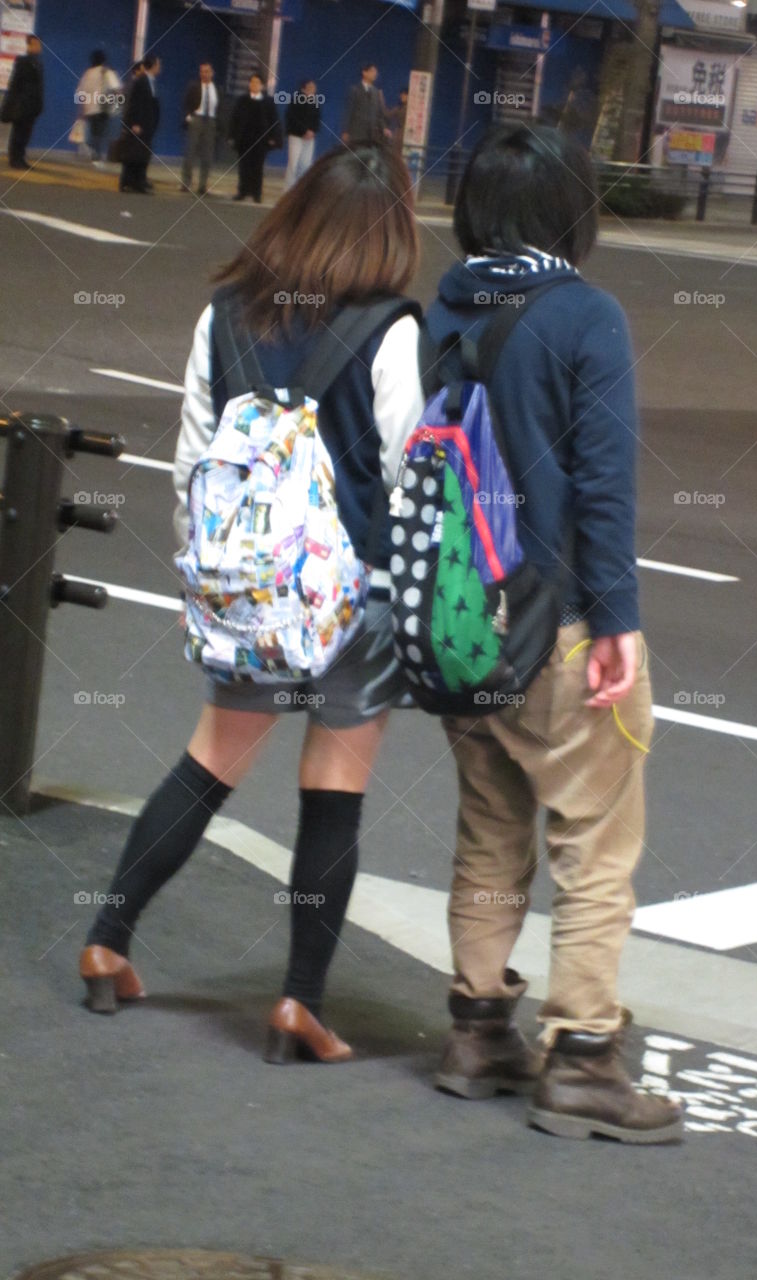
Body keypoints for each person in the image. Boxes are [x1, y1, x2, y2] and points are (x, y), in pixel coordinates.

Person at [78, 143, 423, 1065]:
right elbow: (405, 475)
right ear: (386, 233)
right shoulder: (391, 331)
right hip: (351, 604)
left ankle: (108, 939)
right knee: (333, 791)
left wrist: (216, 580)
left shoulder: (223, 315)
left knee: (206, 764)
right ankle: (297, 1006)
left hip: (246, 597)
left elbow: (194, 465)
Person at [425, 125, 684, 1145]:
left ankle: (477, 1031)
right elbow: (603, 484)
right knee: (596, 841)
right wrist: (616, 622)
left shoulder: (444, 306)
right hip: (557, 621)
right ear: (573, 209)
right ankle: (582, 1056)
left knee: (489, 829)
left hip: (456, 624)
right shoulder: (585, 313)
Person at [230, 72, 281, 203]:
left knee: (258, 168)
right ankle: (242, 191)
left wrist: (273, 137)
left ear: (262, 86)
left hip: (261, 140)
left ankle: (256, 194)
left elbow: (274, 120)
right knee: (243, 167)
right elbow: (234, 119)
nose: (254, 85)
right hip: (244, 139)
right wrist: (232, 136)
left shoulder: (268, 101)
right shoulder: (242, 100)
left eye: (257, 83)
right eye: (252, 82)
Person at [118, 53, 160, 193]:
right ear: (153, 66)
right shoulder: (142, 81)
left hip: (147, 125)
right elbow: (135, 104)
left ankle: (136, 182)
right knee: (135, 154)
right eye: (158, 65)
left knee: (141, 154)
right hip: (139, 125)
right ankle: (131, 182)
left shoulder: (149, 81)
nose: (159, 67)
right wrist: (133, 123)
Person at [2, 34, 44, 170]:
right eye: (35, 44)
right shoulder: (22, 61)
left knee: (26, 133)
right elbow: (15, 83)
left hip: (32, 105)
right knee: (18, 132)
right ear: (29, 46)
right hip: (22, 104)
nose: (38, 47)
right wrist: (12, 102)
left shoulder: (38, 63)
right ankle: (15, 159)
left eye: (39, 45)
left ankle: (21, 157)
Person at [180, 61, 220, 196]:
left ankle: (203, 185)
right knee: (190, 152)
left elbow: (219, 107)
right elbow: (186, 103)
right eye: (202, 71)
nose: (204, 74)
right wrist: (188, 117)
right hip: (196, 119)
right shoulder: (194, 87)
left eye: (207, 71)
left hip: (210, 122)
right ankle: (186, 183)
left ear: (212, 73)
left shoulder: (217, 88)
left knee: (207, 155)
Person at [75, 50, 122, 162]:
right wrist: (118, 104)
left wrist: (81, 108)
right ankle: (96, 154)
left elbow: (80, 92)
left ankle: (94, 153)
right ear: (104, 60)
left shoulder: (87, 73)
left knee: (93, 131)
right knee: (100, 132)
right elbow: (117, 89)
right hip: (102, 107)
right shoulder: (106, 72)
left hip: (89, 108)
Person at [284, 79, 320, 189]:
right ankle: (288, 190)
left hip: (310, 139)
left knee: (306, 164)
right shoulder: (296, 99)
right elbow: (292, 118)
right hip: (296, 136)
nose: (314, 88)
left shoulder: (315, 101)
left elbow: (317, 119)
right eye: (311, 86)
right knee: (293, 164)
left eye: (314, 87)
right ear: (304, 88)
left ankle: (301, 189)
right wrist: (304, 131)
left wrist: (313, 131)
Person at [341, 63, 388, 147]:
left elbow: (379, 114)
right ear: (364, 72)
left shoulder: (376, 92)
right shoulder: (354, 90)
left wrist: (384, 128)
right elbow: (348, 111)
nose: (375, 74)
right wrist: (345, 131)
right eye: (372, 71)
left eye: (376, 72)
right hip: (356, 133)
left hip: (372, 135)